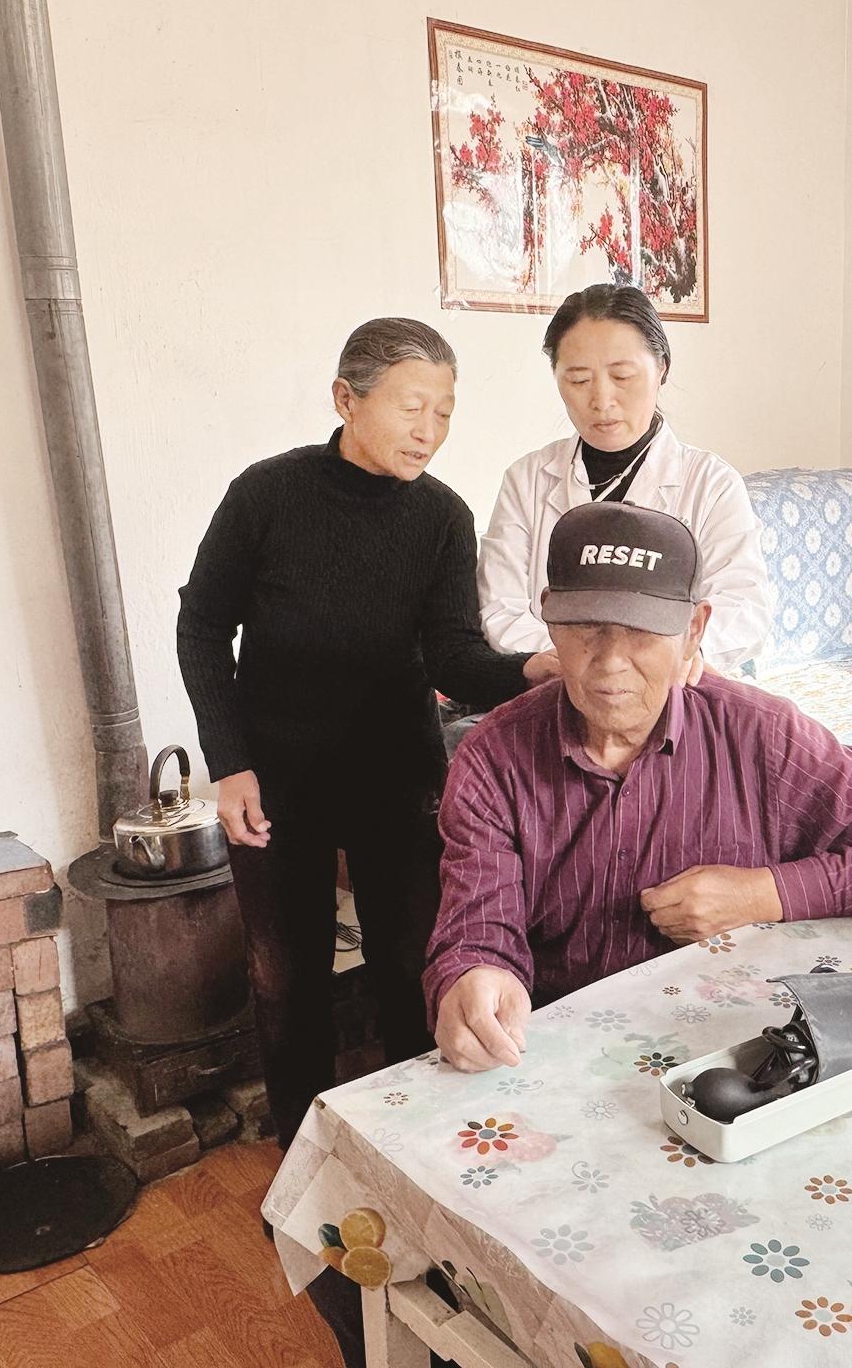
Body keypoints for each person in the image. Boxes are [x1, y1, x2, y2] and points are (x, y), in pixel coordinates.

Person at [176, 317, 556, 1146]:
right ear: (347, 399)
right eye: (412, 406)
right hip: (278, 782)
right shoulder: (266, 495)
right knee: (286, 981)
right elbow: (201, 627)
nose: (431, 429)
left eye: (445, 411)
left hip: (397, 778)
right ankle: (304, 1152)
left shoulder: (443, 516)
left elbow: (452, 655)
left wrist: (533, 667)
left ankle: (416, 1148)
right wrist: (230, 763)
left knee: (414, 967)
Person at [428, 502, 852, 1071]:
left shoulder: (763, 734)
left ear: (693, 632)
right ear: (551, 622)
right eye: (586, 627)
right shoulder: (492, 757)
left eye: (642, 631)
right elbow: (478, 924)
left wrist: (764, 894)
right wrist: (475, 975)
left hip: (738, 1049)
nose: (610, 662)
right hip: (553, 1053)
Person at [477, 284, 772, 679]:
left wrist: (659, 661)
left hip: (674, 686)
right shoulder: (527, 480)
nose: (601, 400)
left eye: (622, 376)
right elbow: (501, 607)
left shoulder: (710, 484)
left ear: (661, 368)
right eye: (578, 380)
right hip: (557, 682)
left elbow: (743, 607)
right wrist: (583, 666)